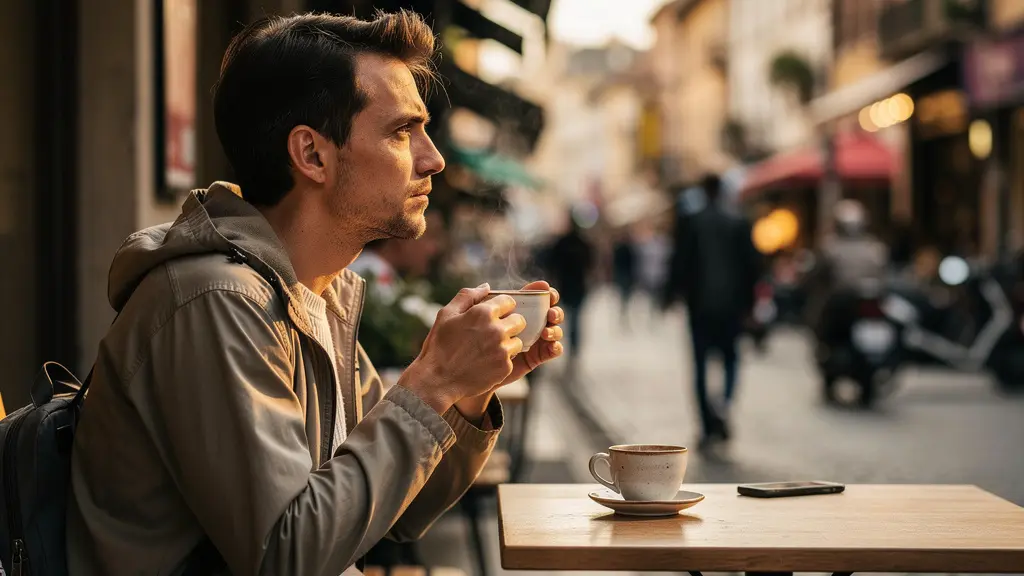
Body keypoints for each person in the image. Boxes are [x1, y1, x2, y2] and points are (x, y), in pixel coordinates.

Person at [67, 11, 564, 576]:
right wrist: (433, 383)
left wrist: (469, 391)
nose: (434, 159)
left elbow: (396, 513)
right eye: (403, 131)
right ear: (312, 155)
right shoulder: (216, 300)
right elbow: (288, 557)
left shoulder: (316, 294)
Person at [663, 174, 760, 449]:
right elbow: (752, 267)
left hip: (700, 307)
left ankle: (707, 422)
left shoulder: (691, 222)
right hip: (732, 306)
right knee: (731, 361)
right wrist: (751, 305)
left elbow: (680, 262)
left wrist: (671, 295)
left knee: (701, 365)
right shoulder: (739, 221)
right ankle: (724, 406)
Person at [545, 215, 594, 367]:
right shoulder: (583, 243)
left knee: (561, 318)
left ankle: (559, 346)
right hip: (578, 286)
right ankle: (572, 349)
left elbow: (552, 264)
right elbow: (590, 265)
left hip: (565, 286)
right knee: (575, 319)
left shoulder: (562, 243)